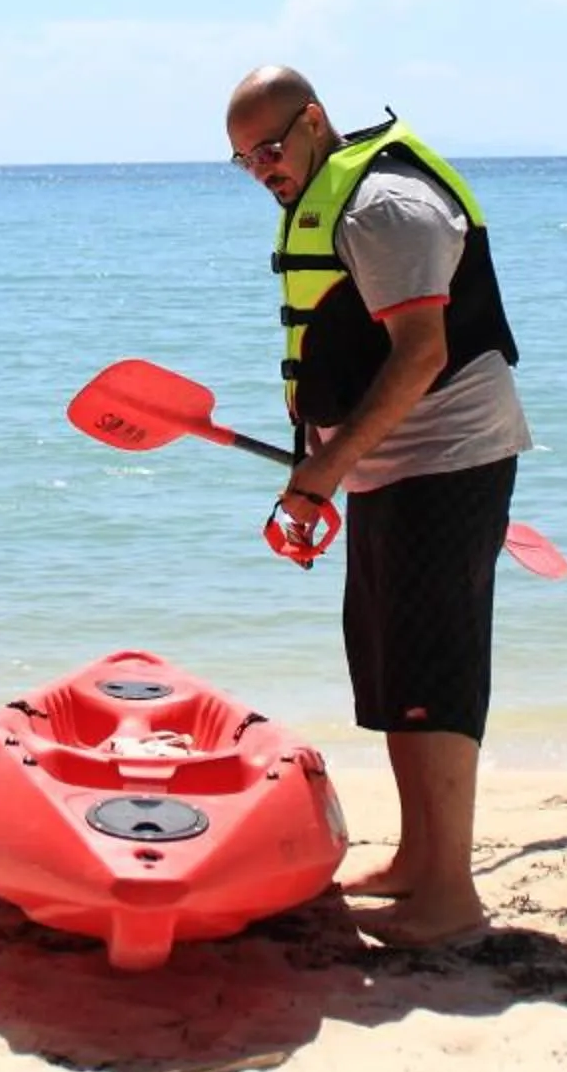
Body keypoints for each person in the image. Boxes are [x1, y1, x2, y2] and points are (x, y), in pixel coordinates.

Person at [227, 65, 531, 949]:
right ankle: (417, 863)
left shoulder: (383, 207)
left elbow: (419, 356)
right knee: (395, 671)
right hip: (388, 470)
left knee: (433, 675)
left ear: (314, 123)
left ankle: (450, 897)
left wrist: (323, 474)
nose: (263, 172)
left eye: (271, 149)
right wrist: (329, 465)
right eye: (244, 161)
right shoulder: (329, 199)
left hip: (446, 460)